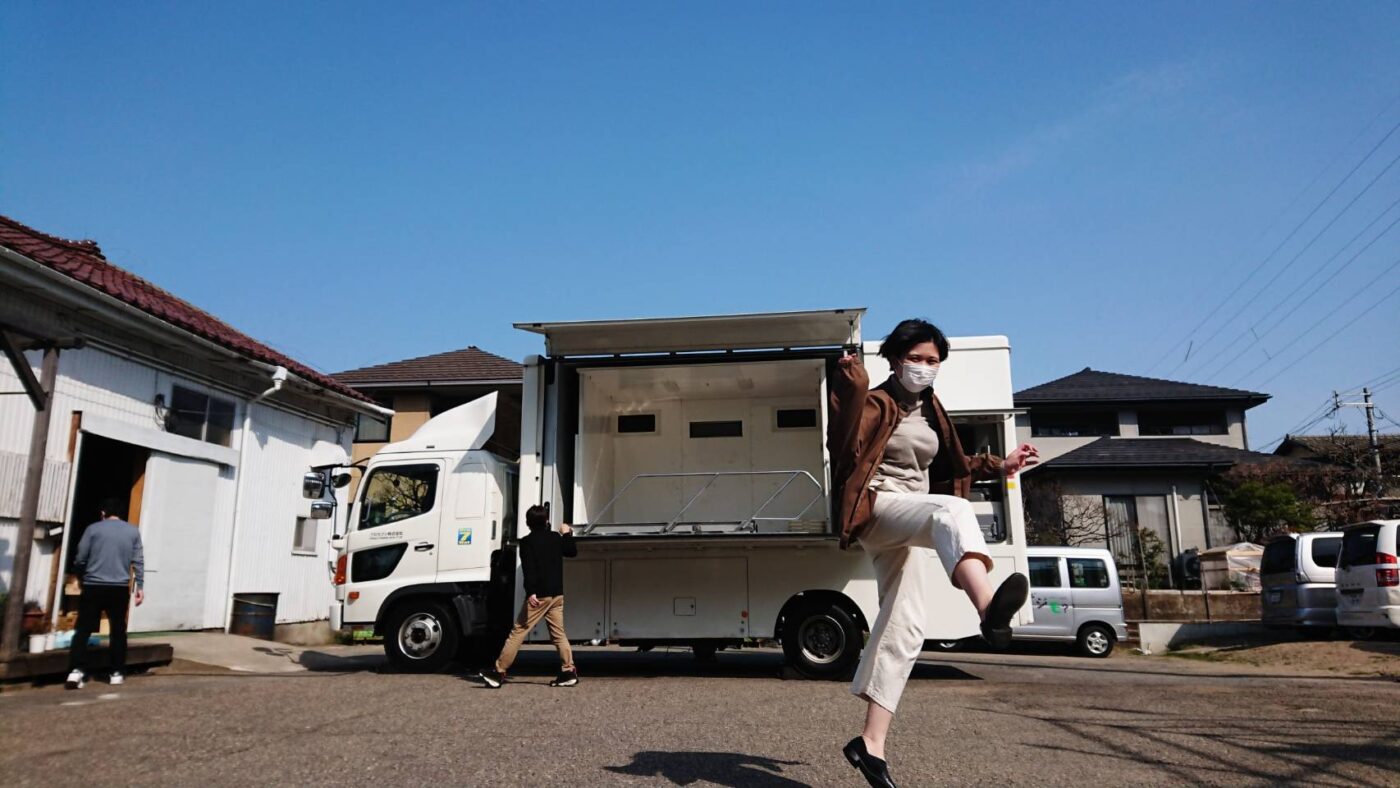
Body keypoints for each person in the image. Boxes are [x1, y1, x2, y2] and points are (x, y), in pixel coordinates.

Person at [829, 319, 1040, 787]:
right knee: (952, 512)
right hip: (878, 508)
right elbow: (841, 449)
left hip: (907, 517)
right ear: (895, 359)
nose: (925, 368)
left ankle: (870, 745)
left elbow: (955, 462)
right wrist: (853, 388)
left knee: (906, 626)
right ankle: (989, 609)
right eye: (917, 359)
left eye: (933, 361)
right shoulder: (875, 402)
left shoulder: (931, 410)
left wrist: (1000, 465)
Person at [480, 503, 579, 688]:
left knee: (518, 632)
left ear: (528, 523)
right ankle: (568, 671)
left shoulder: (527, 542)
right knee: (558, 634)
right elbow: (571, 551)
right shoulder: (556, 538)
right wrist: (566, 533)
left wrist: (531, 591)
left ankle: (499, 672)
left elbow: (529, 569)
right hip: (557, 594)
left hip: (539, 596)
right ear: (547, 521)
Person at [65, 496, 145, 690]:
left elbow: (81, 557)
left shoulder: (93, 529)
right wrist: (140, 586)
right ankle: (116, 672)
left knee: (83, 629)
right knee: (118, 631)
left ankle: (76, 671)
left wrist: (80, 574)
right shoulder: (133, 531)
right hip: (118, 588)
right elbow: (138, 560)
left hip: (93, 585)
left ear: (103, 512)